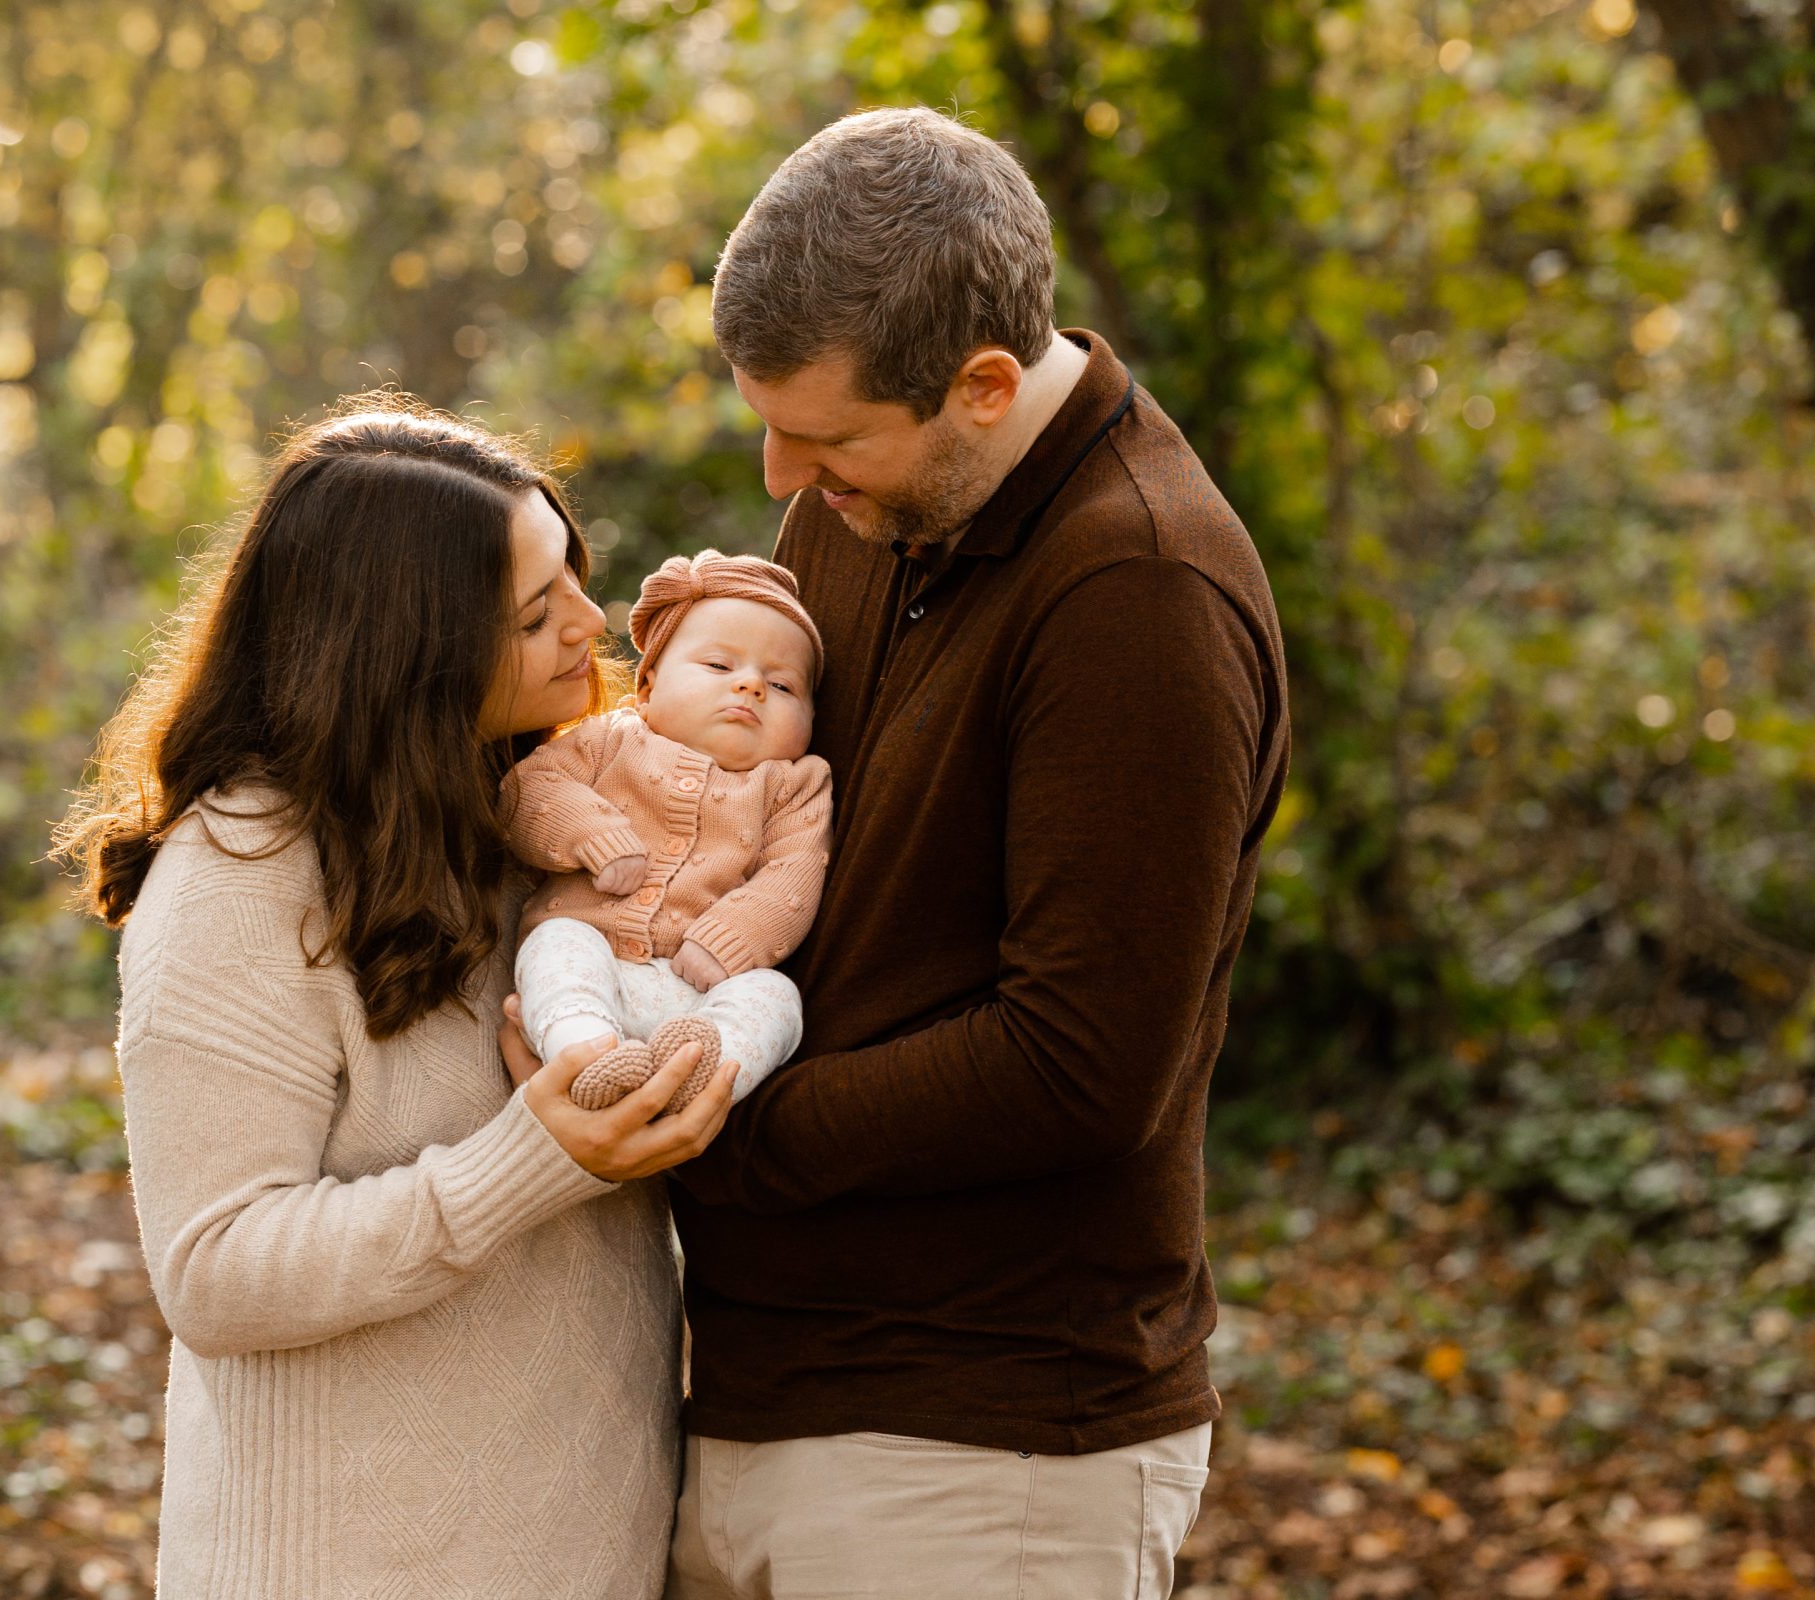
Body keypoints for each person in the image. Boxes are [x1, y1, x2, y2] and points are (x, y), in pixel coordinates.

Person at [504, 107, 1294, 1597]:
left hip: (983, 1449)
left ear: (984, 386)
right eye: (768, 419)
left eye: (825, 434)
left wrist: (718, 1132)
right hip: (758, 1393)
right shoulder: (862, 514)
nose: (779, 474)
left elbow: (1079, 1061)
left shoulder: (1140, 593)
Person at [54, 403, 738, 1599]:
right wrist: (532, 1157)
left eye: (571, 576)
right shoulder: (240, 879)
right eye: (534, 614)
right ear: (404, 655)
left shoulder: (546, 819)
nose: (593, 625)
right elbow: (214, 1267)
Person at [503, 550, 832, 1115]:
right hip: (596, 958)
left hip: (699, 994)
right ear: (649, 686)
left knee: (776, 998)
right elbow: (528, 791)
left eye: (782, 686)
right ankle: (582, 1050)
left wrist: (733, 936)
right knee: (558, 943)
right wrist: (594, 833)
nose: (751, 686)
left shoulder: (794, 784)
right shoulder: (609, 739)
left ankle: (696, 1081)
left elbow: (794, 873)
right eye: (719, 667)